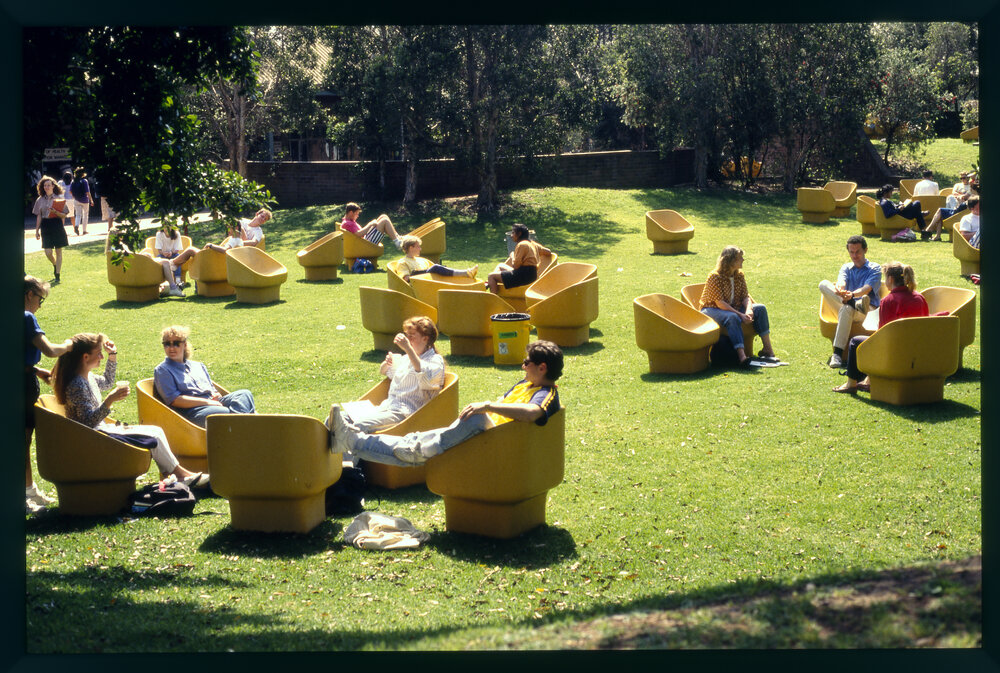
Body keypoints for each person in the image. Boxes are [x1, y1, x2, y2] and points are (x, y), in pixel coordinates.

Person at [329, 340, 563, 467]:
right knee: (408, 448)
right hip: (477, 435)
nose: (523, 366)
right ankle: (352, 442)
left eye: (527, 362)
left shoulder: (547, 393)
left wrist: (488, 406)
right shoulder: (524, 385)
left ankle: (351, 441)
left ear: (542, 368)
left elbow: (533, 412)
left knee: (413, 448)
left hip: (492, 440)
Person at [52, 333, 210, 488]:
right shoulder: (77, 385)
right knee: (154, 434)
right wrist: (109, 401)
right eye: (99, 354)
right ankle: (181, 476)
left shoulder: (88, 376)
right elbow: (87, 423)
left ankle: (177, 475)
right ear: (85, 357)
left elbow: (107, 382)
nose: (101, 357)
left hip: (101, 431)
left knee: (156, 430)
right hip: (94, 437)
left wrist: (112, 355)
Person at [325, 316, 446, 465]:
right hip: (387, 408)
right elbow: (388, 373)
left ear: (425, 338)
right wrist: (387, 364)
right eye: (406, 335)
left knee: (356, 426)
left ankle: (347, 472)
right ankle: (325, 466)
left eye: (411, 336)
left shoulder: (435, 361)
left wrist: (408, 348)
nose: (407, 339)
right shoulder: (406, 358)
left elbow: (426, 378)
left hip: (406, 414)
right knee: (335, 419)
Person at [833, 262, 929, 394]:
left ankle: (851, 384)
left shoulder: (889, 300)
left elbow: (882, 335)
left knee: (856, 342)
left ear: (890, 279)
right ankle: (867, 379)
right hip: (919, 347)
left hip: (896, 351)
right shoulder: (919, 298)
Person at [24, 276, 73, 513]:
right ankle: (23, 498)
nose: (39, 306)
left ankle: (29, 490)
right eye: (40, 299)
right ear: (29, 295)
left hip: (25, 377)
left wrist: (34, 369)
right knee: (21, 442)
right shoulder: (25, 317)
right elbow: (50, 350)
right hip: (21, 387)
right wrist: (68, 345)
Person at [153, 325, 256, 428]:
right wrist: (208, 402)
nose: (171, 348)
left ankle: (236, 429)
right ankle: (241, 431)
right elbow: (174, 400)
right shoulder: (163, 370)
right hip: (193, 411)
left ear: (184, 344)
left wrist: (215, 394)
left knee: (245, 395)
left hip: (213, 402)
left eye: (176, 343)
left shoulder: (198, 366)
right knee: (226, 411)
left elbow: (212, 388)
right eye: (167, 344)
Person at [697, 246, 778, 367]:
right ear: (730, 260)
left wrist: (749, 310)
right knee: (732, 317)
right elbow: (720, 303)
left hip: (732, 307)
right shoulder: (715, 276)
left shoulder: (739, 275)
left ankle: (768, 350)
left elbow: (746, 296)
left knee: (760, 308)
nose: (743, 260)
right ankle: (742, 356)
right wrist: (740, 314)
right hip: (712, 309)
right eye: (740, 258)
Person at [819, 235, 882, 368]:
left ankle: (837, 354)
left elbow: (866, 289)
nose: (854, 255)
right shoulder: (846, 267)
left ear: (865, 250)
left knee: (847, 308)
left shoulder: (875, 268)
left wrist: (851, 295)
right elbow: (841, 281)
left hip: (867, 309)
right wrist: (840, 290)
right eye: (851, 252)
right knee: (823, 284)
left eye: (857, 251)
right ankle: (853, 304)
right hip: (847, 303)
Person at [107, 226, 185, 297]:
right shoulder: (118, 248)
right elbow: (130, 257)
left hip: (134, 264)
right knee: (165, 262)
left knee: (153, 256)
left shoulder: (111, 249)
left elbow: (130, 256)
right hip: (136, 266)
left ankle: (172, 284)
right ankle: (173, 286)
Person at [486, 223, 552, 294]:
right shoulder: (532, 244)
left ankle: (494, 298)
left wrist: (512, 256)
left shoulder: (521, 245)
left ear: (519, 233)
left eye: (513, 233)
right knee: (500, 265)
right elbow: (548, 252)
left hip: (522, 276)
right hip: (532, 275)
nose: (511, 236)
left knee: (491, 276)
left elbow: (516, 266)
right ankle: (491, 283)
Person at [32, 176, 71, 282]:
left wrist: (56, 212)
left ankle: (57, 275)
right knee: (48, 252)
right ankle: (55, 264)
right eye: (45, 185)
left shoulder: (59, 198)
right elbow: (39, 216)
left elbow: (64, 215)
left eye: (49, 185)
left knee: (59, 251)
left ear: (53, 186)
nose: (46, 187)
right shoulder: (39, 200)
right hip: (45, 226)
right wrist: (36, 231)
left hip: (57, 224)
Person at [395, 235, 478, 282]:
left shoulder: (422, 260)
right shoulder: (403, 262)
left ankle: (465, 280)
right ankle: (466, 273)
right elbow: (405, 279)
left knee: (441, 268)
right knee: (436, 268)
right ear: (411, 248)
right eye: (418, 247)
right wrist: (424, 276)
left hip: (430, 282)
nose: (420, 249)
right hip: (419, 284)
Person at [70, 167, 95, 236]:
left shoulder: (73, 181)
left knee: (78, 215)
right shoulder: (84, 181)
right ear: (83, 174)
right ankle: (84, 230)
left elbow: (70, 191)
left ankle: (76, 225)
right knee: (85, 215)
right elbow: (87, 192)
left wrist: (75, 197)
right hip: (84, 200)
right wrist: (91, 200)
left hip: (76, 200)